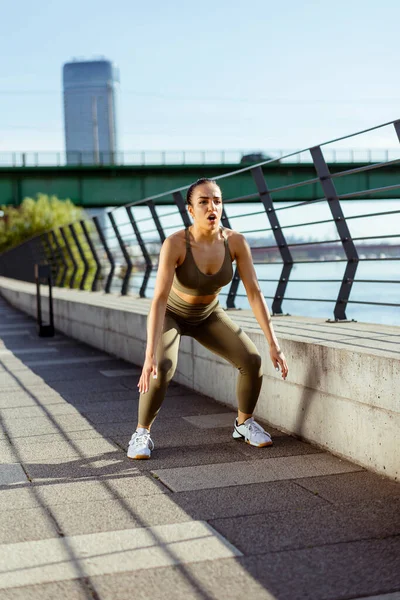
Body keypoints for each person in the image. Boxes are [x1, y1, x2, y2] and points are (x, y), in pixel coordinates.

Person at [127, 178, 288, 459]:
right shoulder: (175, 244)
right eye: (203, 202)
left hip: (208, 315)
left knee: (252, 361)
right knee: (162, 366)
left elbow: (254, 292)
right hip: (172, 315)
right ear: (191, 210)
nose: (212, 206)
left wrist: (274, 342)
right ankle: (141, 434)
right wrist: (149, 353)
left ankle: (243, 424)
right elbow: (159, 299)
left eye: (216, 200)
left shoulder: (235, 242)